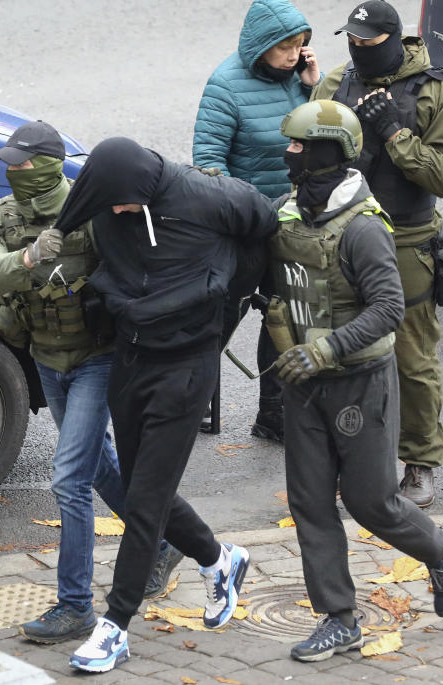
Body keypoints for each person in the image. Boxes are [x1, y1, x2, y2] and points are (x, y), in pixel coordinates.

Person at [50, 136, 278, 673]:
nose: (117, 212)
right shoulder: (109, 209)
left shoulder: (210, 197)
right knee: (140, 488)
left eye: (123, 201)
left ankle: (115, 626)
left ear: (144, 186)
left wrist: (231, 298)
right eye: (107, 204)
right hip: (131, 361)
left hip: (188, 365)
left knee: (146, 504)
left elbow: (266, 225)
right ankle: (220, 560)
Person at [267, 99, 443, 662]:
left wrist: (326, 349)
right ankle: (339, 617)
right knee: (309, 502)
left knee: (371, 501)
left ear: (328, 151)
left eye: (299, 146)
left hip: (359, 381)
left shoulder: (363, 228)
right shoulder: (287, 213)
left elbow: (388, 308)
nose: (289, 154)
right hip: (304, 383)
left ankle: (441, 549)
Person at [0, 121, 183, 646]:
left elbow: (140, 265)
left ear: (46, 164)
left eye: (22, 164)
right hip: (46, 357)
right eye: (8, 165)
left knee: (68, 478)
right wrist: (30, 257)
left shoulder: (91, 211)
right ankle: (161, 543)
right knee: (95, 462)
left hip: (95, 358)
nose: (13, 172)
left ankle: (74, 606)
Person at [311, 0, 443, 507]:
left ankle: (420, 463)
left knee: (411, 359)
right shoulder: (337, 83)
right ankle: (351, 458)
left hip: (404, 239)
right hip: (342, 235)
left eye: (369, 44)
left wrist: (395, 134)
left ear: (394, 40)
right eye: (351, 42)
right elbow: (302, 153)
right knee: (339, 353)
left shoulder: (434, 92)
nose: (358, 51)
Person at [193, 0, 320, 442]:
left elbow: (320, 139)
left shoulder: (299, 82)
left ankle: (273, 413)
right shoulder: (225, 86)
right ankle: (189, 405)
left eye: (299, 46)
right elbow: (208, 164)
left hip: (291, 225)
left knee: (281, 316)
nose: (292, 55)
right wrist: (247, 212)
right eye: (285, 47)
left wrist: (313, 87)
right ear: (262, 45)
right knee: (220, 318)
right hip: (243, 231)